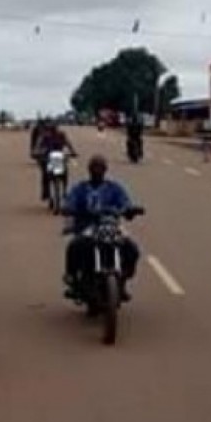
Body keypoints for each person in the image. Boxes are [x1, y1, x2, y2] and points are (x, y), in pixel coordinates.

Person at [63, 155, 140, 298]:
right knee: (74, 246)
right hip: (87, 226)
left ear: (105, 170)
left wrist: (129, 210)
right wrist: (69, 209)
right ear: (89, 170)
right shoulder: (81, 188)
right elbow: (70, 202)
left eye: (100, 168)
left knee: (131, 247)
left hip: (110, 226)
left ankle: (122, 279)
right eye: (94, 168)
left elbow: (125, 202)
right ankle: (72, 277)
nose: (97, 171)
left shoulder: (114, 188)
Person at [38, 124, 77, 202]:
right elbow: (39, 146)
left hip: (59, 156)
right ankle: (46, 192)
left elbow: (68, 144)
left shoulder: (61, 135)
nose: (52, 131)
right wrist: (39, 152)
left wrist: (73, 152)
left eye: (53, 129)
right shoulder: (45, 137)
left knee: (65, 172)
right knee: (45, 173)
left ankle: (65, 190)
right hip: (49, 156)